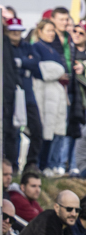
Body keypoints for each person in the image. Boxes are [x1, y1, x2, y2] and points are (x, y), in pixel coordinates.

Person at [31, 20, 71, 176]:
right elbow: (39, 70)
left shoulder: (54, 50)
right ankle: (39, 165)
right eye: (48, 30)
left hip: (56, 94)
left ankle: (49, 164)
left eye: (53, 31)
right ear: (40, 31)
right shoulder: (36, 47)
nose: (51, 34)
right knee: (43, 130)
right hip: (44, 93)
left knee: (54, 131)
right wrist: (57, 72)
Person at [4, 17, 43, 172]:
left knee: (37, 130)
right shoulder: (5, 47)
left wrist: (20, 62)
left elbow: (36, 61)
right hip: (12, 95)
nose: (15, 33)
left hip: (28, 95)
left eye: (18, 31)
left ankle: (31, 163)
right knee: (12, 132)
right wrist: (25, 64)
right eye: (12, 30)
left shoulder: (27, 46)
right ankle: (12, 165)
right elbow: (9, 66)